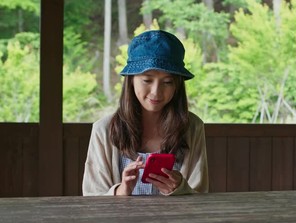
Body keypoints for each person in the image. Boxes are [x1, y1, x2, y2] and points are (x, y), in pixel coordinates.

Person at [82, 30, 208, 196]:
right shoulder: (103, 130)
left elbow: (201, 195)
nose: (156, 92)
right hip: (120, 222)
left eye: (168, 82)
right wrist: (121, 191)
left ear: (177, 86)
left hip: (175, 222)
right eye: (147, 80)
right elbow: (92, 197)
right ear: (131, 80)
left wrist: (180, 188)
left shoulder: (192, 127)